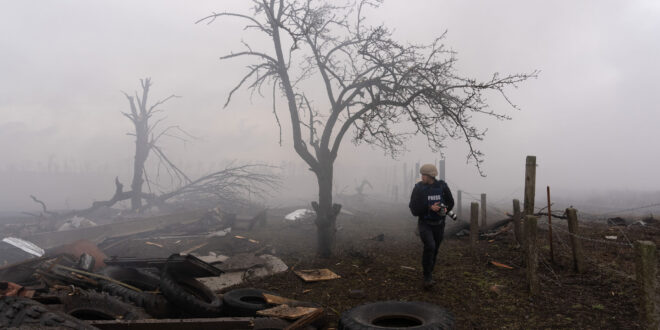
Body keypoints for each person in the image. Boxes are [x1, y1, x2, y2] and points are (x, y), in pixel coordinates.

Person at [408, 163, 454, 289]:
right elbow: (413, 208)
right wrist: (429, 207)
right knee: (430, 246)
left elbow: (451, 203)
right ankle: (427, 277)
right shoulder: (418, 188)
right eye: (421, 174)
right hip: (424, 224)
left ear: (431, 176)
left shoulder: (442, 186)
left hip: (439, 224)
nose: (422, 177)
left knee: (435, 250)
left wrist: (442, 209)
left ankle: (429, 272)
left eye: (424, 175)